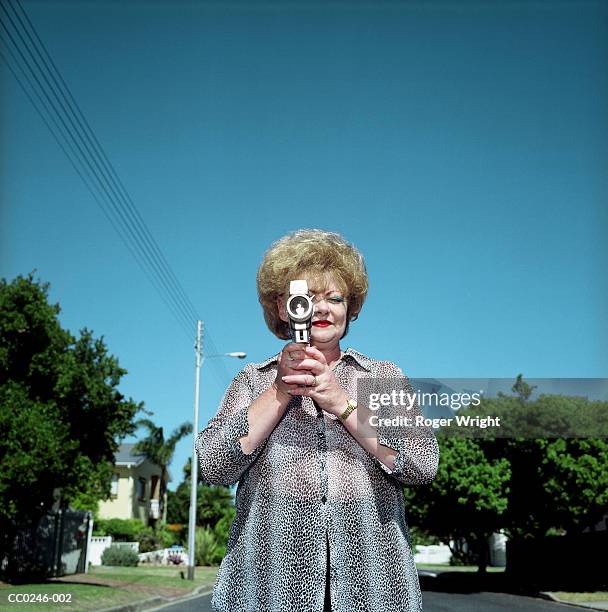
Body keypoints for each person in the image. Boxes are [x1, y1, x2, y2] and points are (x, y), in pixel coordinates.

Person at [196, 229, 439, 612]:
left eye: (335, 298)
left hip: (375, 590)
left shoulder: (383, 376)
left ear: (351, 308)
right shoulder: (251, 381)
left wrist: (341, 402)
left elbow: (422, 464)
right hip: (267, 590)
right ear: (282, 307)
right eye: (306, 299)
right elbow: (212, 465)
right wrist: (279, 390)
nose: (322, 309)